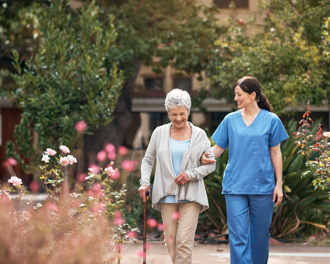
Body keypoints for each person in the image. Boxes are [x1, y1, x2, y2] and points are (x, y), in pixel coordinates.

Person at [201, 76, 288, 264]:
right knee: (238, 237)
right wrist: (201, 157)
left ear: (253, 95)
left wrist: (279, 184)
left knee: (260, 238)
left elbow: (276, 154)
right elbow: (217, 149)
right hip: (235, 186)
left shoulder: (271, 120)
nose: (236, 99)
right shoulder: (230, 120)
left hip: (263, 187)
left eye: (239, 94)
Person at [138, 88, 216, 264]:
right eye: (174, 114)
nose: (178, 118)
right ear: (168, 113)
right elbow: (147, 161)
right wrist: (145, 183)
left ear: (188, 111)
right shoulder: (159, 133)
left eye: (182, 113)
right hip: (166, 195)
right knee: (171, 242)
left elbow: (211, 166)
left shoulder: (199, 135)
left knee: (184, 242)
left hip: (191, 195)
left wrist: (190, 174)